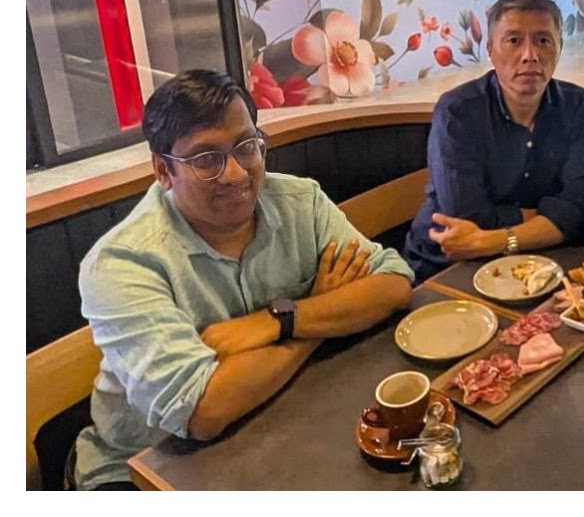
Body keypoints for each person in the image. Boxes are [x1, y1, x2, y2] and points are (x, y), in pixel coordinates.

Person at [75, 69, 414, 489]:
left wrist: (273, 322)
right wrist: (316, 318)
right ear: (164, 170)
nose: (236, 173)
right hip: (145, 466)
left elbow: (395, 284)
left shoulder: (299, 201)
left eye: (246, 147)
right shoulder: (123, 264)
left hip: (276, 416)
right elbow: (201, 412)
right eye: (206, 159)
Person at [403, 0, 584, 280]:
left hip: (537, 261)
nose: (530, 55)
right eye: (513, 41)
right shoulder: (458, 113)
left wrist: (498, 238)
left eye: (543, 40)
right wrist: (552, 215)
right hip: (446, 264)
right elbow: (469, 219)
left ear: (560, 48)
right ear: (490, 50)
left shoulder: (575, 105)